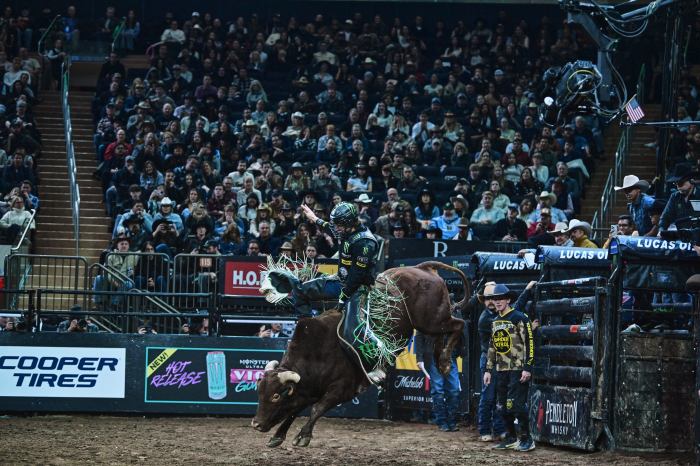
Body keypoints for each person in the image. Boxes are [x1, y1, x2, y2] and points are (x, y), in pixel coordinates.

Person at [300, 202, 384, 383]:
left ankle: (376, 363)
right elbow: (328, 226)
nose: (335, 228)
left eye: (338, 224)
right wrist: (314, 218)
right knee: (301, 290)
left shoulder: (365, 242)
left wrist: (343, 297)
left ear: (349, 223)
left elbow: (357, 275)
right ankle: (307, 327)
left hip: (358, 288)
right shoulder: (344, 229)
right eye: (336, 224)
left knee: (351, 330)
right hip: (340, 280)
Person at [483, 283, 536, 452]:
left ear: (508, 300)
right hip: (501, 369)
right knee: (501, 406)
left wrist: (527, 367)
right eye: (494, 299)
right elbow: (492, 347)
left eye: (500, 299)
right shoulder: (495, 321)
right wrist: (488, 370)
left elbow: (530, 343)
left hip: (518, 368)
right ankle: (512, 437)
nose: (497, 302)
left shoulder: (520, 317)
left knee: (517, 406)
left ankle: (527, 439)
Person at [477, 282, 506, 442]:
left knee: (499, 396)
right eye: (487, 298)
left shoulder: (498, 314)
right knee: (488, 396)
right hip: (489, 359)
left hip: (500, 360)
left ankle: (499, 429)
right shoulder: (486, 318)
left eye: (493, 298)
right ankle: (484, 430)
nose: (490, 301)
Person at [415, 330, 460, 432]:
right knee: (438, 390)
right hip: (433, 353)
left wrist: (461, 349)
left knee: (454, 389)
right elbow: (419, 333)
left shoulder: (454, 313)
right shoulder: (427, 314)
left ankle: (451, 421)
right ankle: (442, 422)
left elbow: (460, 327)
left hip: (450, 353)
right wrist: (419, 358)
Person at [659, 169, 700, 235]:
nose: (678, 186)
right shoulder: (675, 196)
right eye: (675, 183)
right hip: (682, 237)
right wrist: (661, 230)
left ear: (691, 181)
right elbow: (666, 216)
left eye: (681, 183)